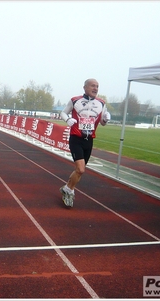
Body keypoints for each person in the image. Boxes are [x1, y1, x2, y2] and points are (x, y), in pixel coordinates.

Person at [59, 78, 110, 207]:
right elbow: (63, 112)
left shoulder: (102, 103)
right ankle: (69, 190)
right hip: (76, 139)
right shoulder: (75, 100)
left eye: (97, 86)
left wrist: (106, 119)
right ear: (85, 87)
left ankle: (67, 188)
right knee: (81, 170)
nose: (95, 88)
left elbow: (103, 123)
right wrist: (68, 119)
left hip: (89, 140)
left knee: (79, 170)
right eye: (92, 86)